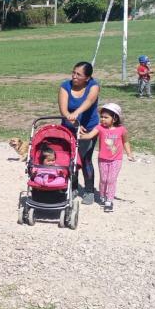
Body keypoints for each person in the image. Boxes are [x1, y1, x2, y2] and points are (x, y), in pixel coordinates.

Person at [79, 103, 135, 212]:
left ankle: (109, 200)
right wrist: (79, 135)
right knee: (104, 180)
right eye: (102, 117)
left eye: (106, 117)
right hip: (103, 159)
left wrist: (129, 154)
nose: (103, 119)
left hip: (116, 159)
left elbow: (126, 141)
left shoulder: (121, 130)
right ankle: (103, 195)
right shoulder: (99, 128)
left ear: (114, 118)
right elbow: (89, 136)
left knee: (111, 180)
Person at [58, 61, 100, 205]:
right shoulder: (65, 86)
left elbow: (88, 102)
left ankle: (89, 191)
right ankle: (73, 187)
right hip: (68, 127)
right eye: (73, 73)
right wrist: (73, 122)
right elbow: (63, 110)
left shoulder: (93, 86)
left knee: (85, 158)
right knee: (70, 158)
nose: (74, 76)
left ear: (87, 78)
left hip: (88, 129)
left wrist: (76, 115)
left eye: (78, 74)